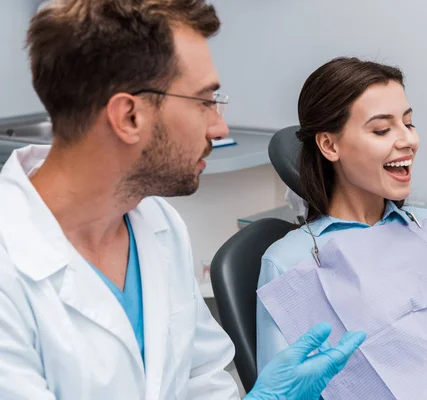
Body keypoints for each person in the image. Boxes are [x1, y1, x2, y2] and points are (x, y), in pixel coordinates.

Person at [0, 1, 367, 399]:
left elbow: (204, 382)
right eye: (204, 101)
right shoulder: (10, 274)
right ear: (129, 117)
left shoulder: (158, 223)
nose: (219, 126)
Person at [256, 57, 427, 398]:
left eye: (409, 123)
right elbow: (286, 392)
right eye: (382, 129)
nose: (408, 141)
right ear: (330, 145)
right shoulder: (289, 263)